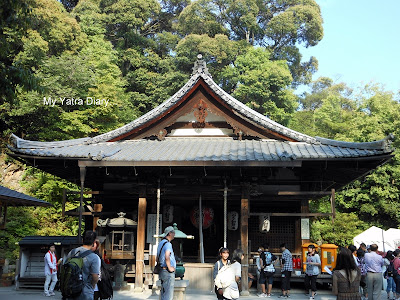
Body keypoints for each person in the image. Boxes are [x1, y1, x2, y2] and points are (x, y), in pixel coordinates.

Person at [65, 231, 101, 300]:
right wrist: (92, 286)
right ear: (94, 242)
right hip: (86, 292)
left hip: (71, 290)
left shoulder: (72, 252)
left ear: (82, 240)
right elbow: (95, 276)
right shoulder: (94, 257)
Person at [157, 226, 176, 300]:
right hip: (167, 271)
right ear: (170, 233)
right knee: (168, 294)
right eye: (173, 233)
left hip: (161, 270)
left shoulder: (160, 243)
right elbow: (167, 256)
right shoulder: (168, 244)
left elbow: (157, 258)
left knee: (163, 293)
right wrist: (170, 267)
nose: (174, 234)